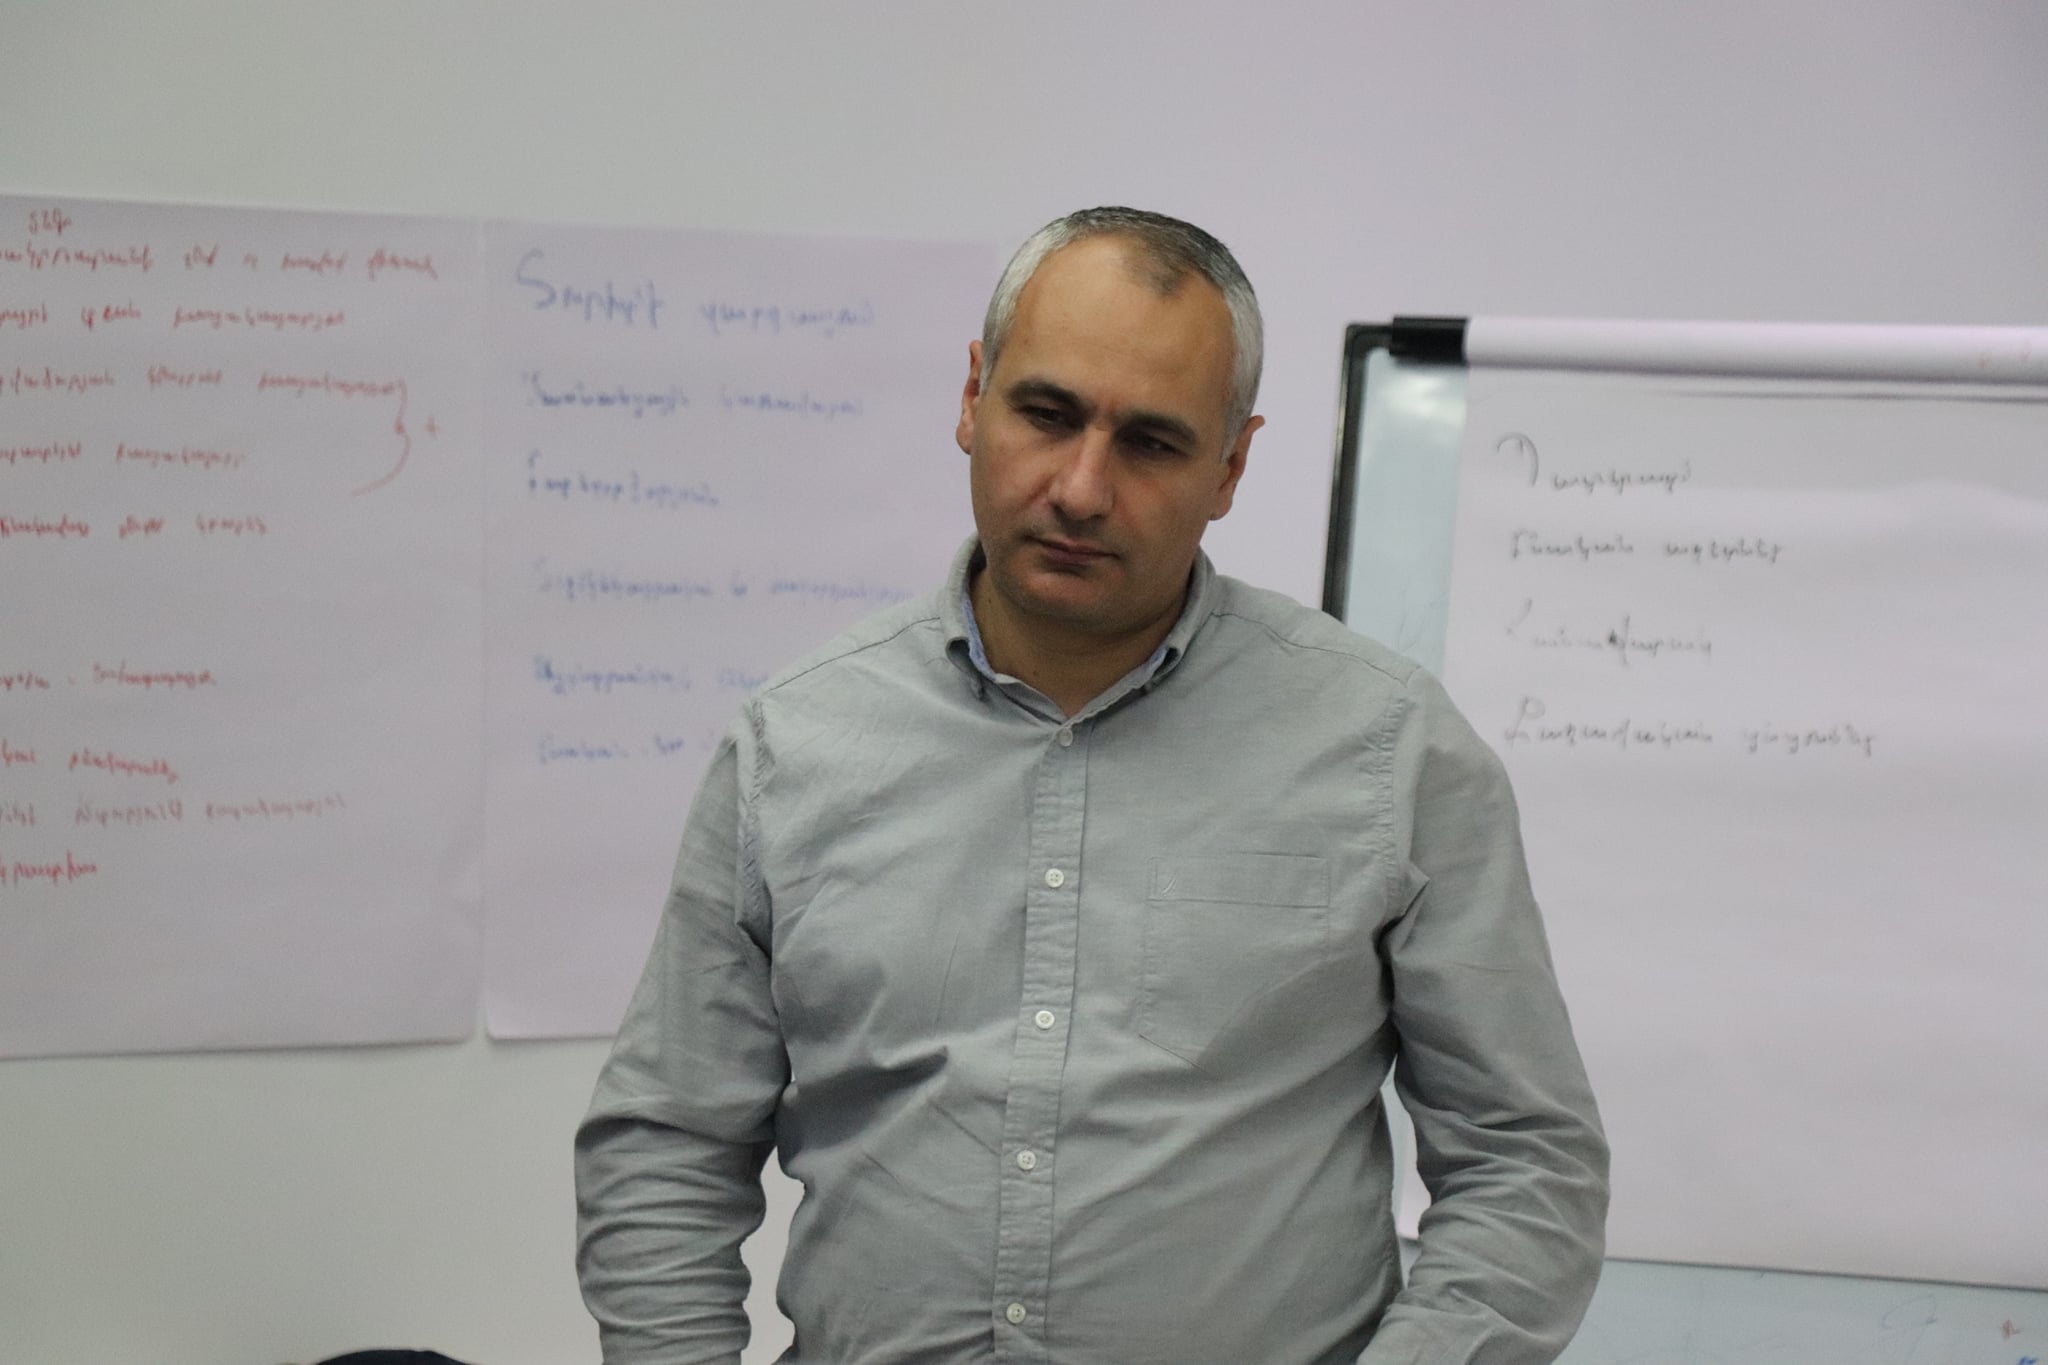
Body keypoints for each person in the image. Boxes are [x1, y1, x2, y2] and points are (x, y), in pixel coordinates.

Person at [575, 207, 1609, 1365]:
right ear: (972, 398)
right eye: (1046, 414)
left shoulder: (1390, 751)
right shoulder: (793, 744)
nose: (1079, 488)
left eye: (1151, 443)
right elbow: (664, 1144)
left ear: (1230, 467)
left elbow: (1526, 1162)